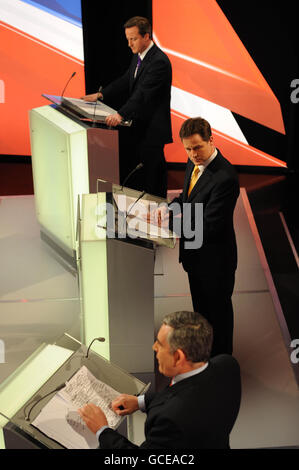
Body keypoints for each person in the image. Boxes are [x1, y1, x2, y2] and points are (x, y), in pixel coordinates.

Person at [78, 311, 241, 449]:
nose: (154, 347)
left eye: (160, 344)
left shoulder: (170, 421)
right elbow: (189, 391)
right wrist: (140, 402)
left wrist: (102, 430)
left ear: (178, 357)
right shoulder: (228, 365)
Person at [153, 118, 240, 356]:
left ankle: (222, 365)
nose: (193, 154)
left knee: (219, 320)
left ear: (211, 140)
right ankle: (205, 360)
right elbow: (187, 199)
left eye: (198, 147)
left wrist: (169, 227)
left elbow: (209, 225)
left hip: (215, 261)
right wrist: (169, 208)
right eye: (188, 149)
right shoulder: (193, 163)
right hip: (195, 256)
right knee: (202, 316)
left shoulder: (226, 178)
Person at [82, 16, 172, 198]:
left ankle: (159, 211)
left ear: (146, 36)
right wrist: (101, 94)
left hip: (153, 129)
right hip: (141, 127)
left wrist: (120, 114)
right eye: (128, 39)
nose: (129, 44)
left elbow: (142, 95)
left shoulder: (159, 62)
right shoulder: (139, 56)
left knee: (154, 174)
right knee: (146, 173)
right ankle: (148, 208)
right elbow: (126, 80)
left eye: (133, 39)